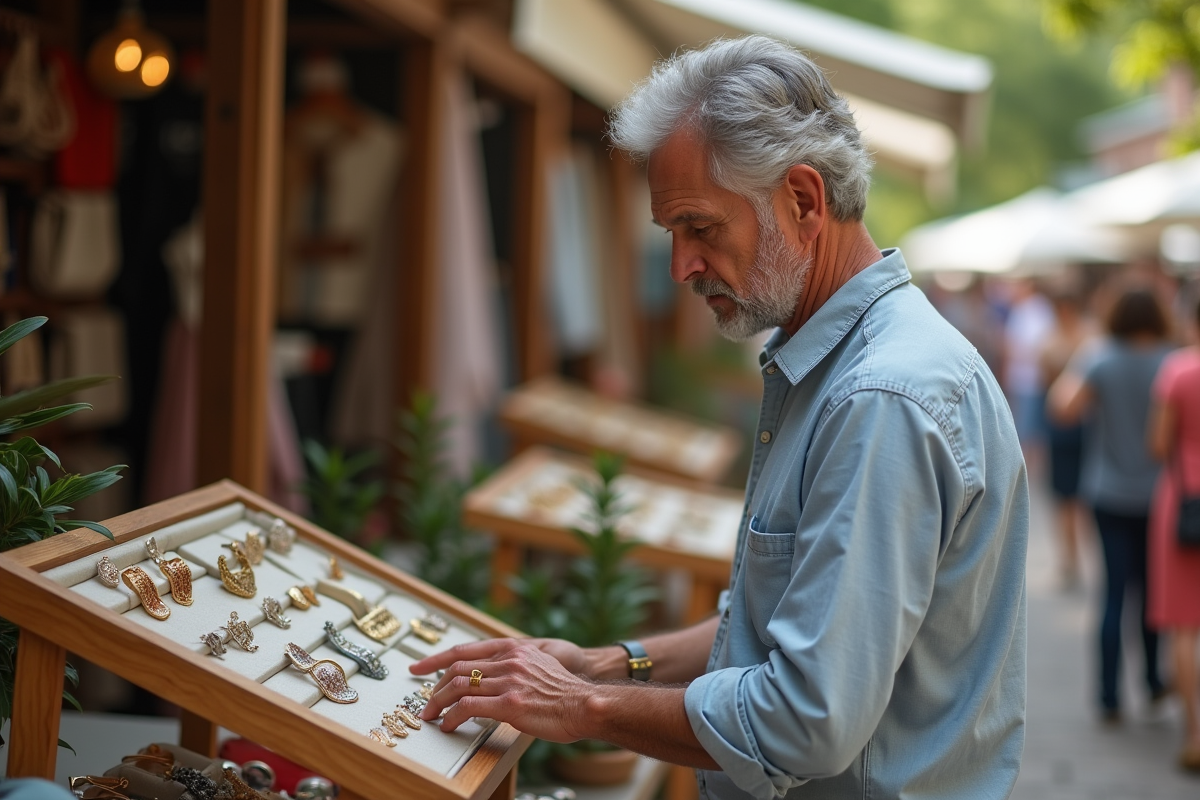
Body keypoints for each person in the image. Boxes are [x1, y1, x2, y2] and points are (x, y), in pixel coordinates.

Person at [411, 36, 1028, 800]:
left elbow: (805, 720)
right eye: (671, 234)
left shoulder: (878, 399)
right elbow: (780, 625)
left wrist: (581, 706)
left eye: (700, 229)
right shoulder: (851, 365)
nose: (681, 267)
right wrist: (609, 664)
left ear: (803, 201)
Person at [1048, 283, 1173, 724]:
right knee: (1155, 592)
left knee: (1113, 593)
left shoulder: (1099, 356)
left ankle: (1108, 695)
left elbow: (1062, 406)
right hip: (1160, 495)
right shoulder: (1173, 361)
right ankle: (1154, 681)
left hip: (1107, 492)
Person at [1147, 294, 1200, 772]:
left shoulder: (1178, 371)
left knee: (1185, 626)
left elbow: (1158, 442)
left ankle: (1194, 736)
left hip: (1185, 505)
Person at [1038, 288, 1095, 589]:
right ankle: (1069, 559)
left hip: (1082, 425)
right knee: (1064, 499)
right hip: (1063, 428)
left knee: (1079, 497)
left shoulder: (1087, 336)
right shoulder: (1064, 338)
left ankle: (1077, 558)